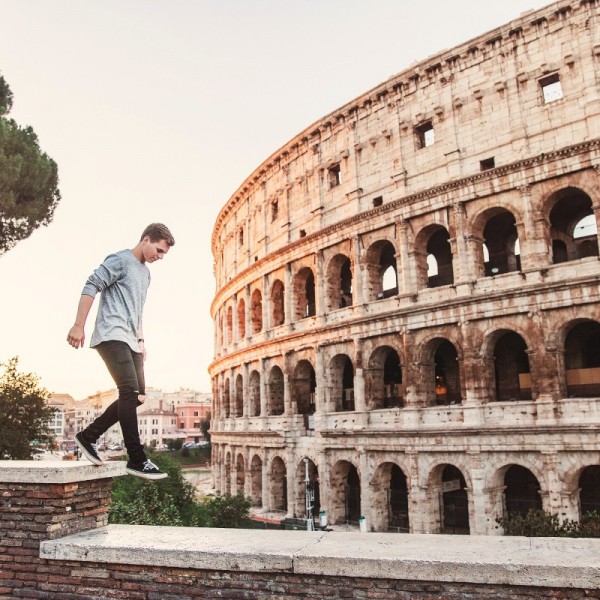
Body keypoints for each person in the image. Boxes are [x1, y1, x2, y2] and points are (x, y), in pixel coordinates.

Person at [67, 223, 175, 480]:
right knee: (128, 391)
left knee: (137, 397)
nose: (158, 257)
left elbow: (137, 309)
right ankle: (137, 458)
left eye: (163, 255)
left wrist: (141, 340)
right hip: (111, 334)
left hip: (131, 339)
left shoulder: (146, 275)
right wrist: (79, 325)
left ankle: (88, 436)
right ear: (146, 239)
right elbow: (91, 284)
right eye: (158, 250)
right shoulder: (120, 260)